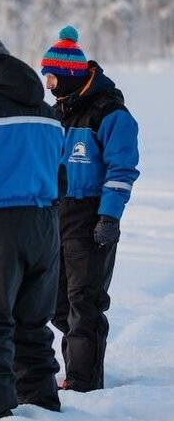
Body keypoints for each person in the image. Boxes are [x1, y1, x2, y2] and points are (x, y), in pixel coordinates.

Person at [0, 33, 65, 421]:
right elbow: (63, 177)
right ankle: (42, 403)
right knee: (33, 323)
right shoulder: (48, 113)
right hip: (45, 225)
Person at [40, 26, 140, 392]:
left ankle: (83, 383)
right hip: (57, 216)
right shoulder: (57, 114)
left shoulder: (110, 114)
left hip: (92, 218)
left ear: (67, 75)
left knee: (85, 301)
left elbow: (122, 170)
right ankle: (80, 365)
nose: (47, 85)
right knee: (56, 303)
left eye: (50, 77)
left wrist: (109, 216)